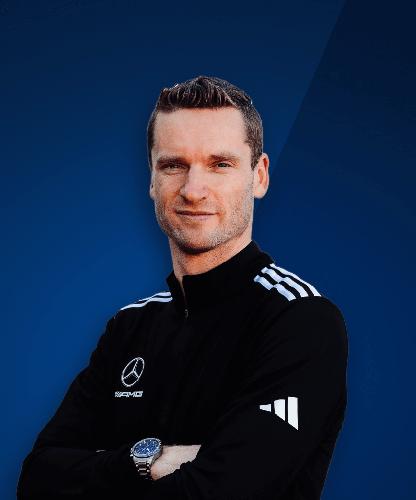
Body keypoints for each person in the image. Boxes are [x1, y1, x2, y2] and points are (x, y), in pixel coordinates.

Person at [17, 75, 348, 500]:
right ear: (152, 180)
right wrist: (148, 460)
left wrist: (100, 472)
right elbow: (37, 479)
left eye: (220, 164)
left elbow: (224, 491)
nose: (193, 190)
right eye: (174, 165)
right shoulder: (129, 327)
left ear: (260, 176)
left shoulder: (300, 320)